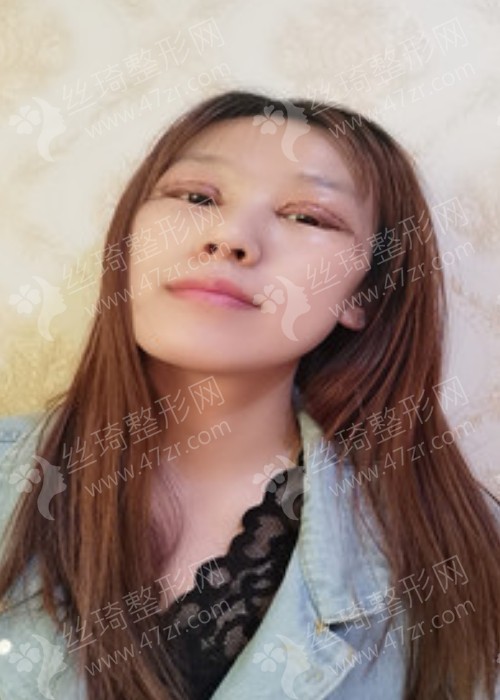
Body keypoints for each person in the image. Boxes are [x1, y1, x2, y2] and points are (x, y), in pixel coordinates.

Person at [0, 90, 499, 700]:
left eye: (307, 217)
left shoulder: (459, 555)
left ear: (363, 293)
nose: (230, 236)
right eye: (197, 197)